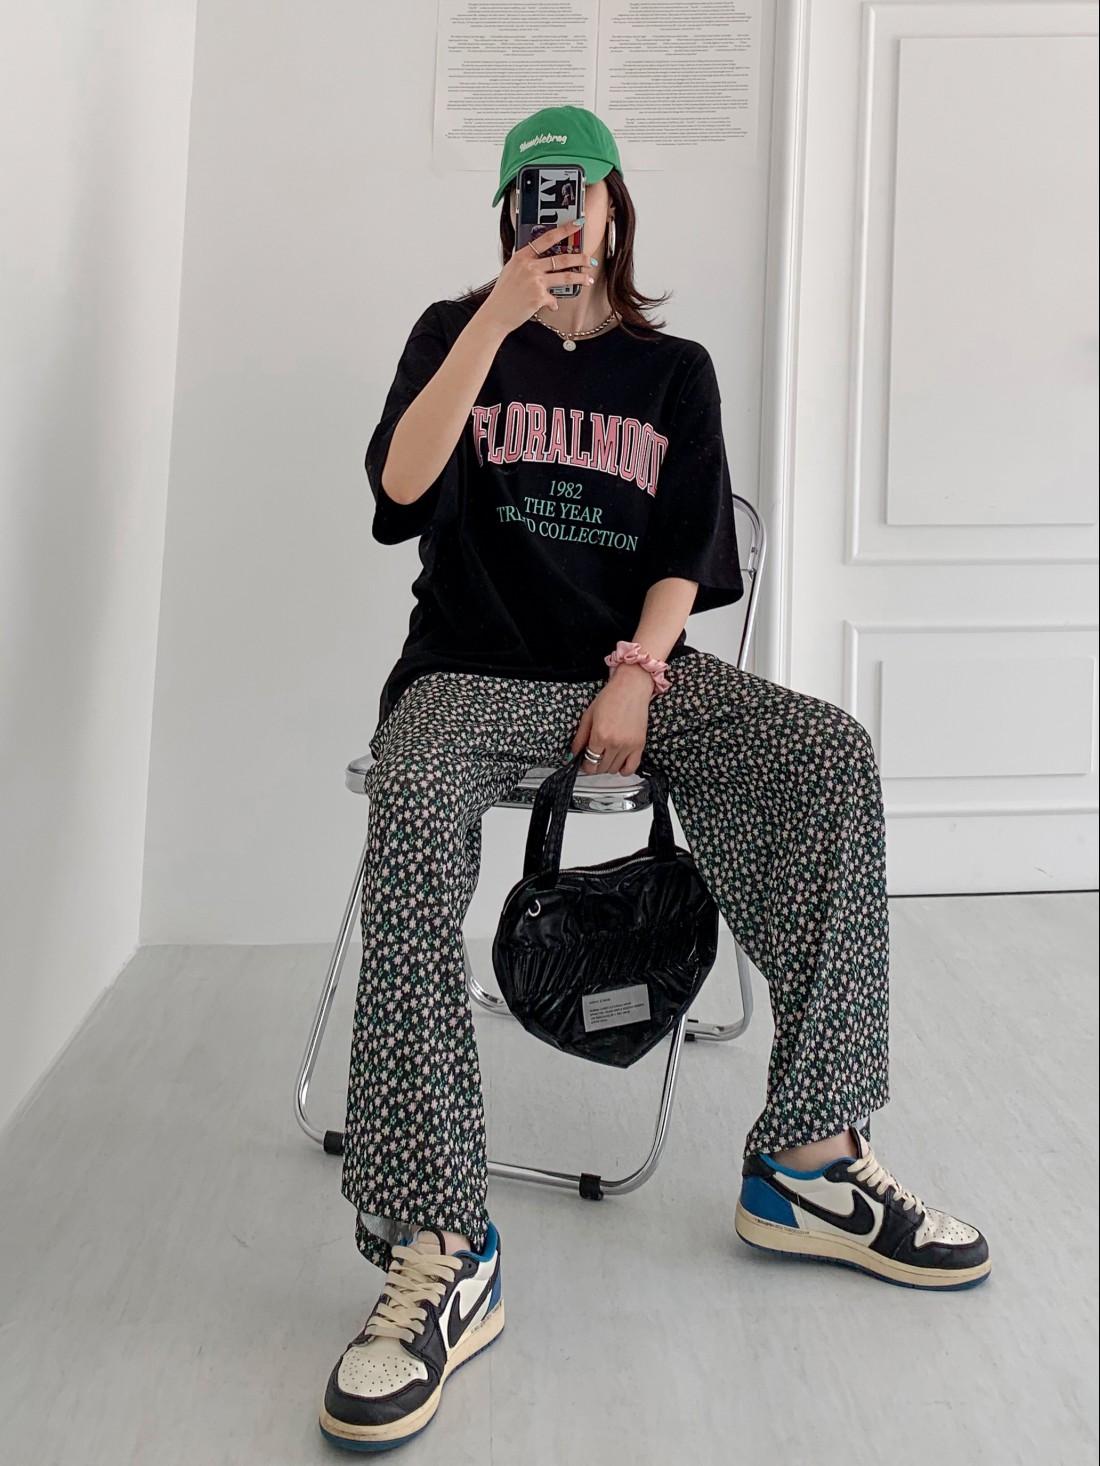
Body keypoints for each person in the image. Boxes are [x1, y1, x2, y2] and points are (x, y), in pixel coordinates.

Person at [318, 104, 991, 1454]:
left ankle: (807, 1160)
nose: (558, 213)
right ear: (505, 216)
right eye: (532, 194)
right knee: (412, 798)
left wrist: (638, 670)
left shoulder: (673, 371)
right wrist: (495, 320)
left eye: (578, 191)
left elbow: (686, 547)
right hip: (470, 676)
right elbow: (397, 490)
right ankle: (443, 1242)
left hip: (632, 677)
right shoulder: (453, 334)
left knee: (828, 756)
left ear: (617, 207)